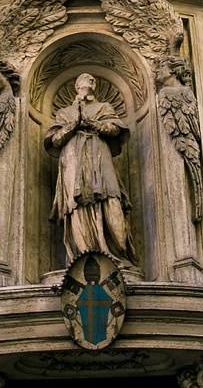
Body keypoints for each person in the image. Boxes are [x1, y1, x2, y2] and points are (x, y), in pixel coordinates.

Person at [46, 73, 137, 270]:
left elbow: (115, 129)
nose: (90, 80)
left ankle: (118, 254)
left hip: (99, 153)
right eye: (85, 79)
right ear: (76, 85)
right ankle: (82, 256)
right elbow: (54, 140)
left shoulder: (104, 107)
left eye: (92, 79)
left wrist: (93, 123)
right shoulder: (64, 112)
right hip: (72, 157)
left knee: (111, 199)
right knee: (76, 205)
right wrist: (75, 123)